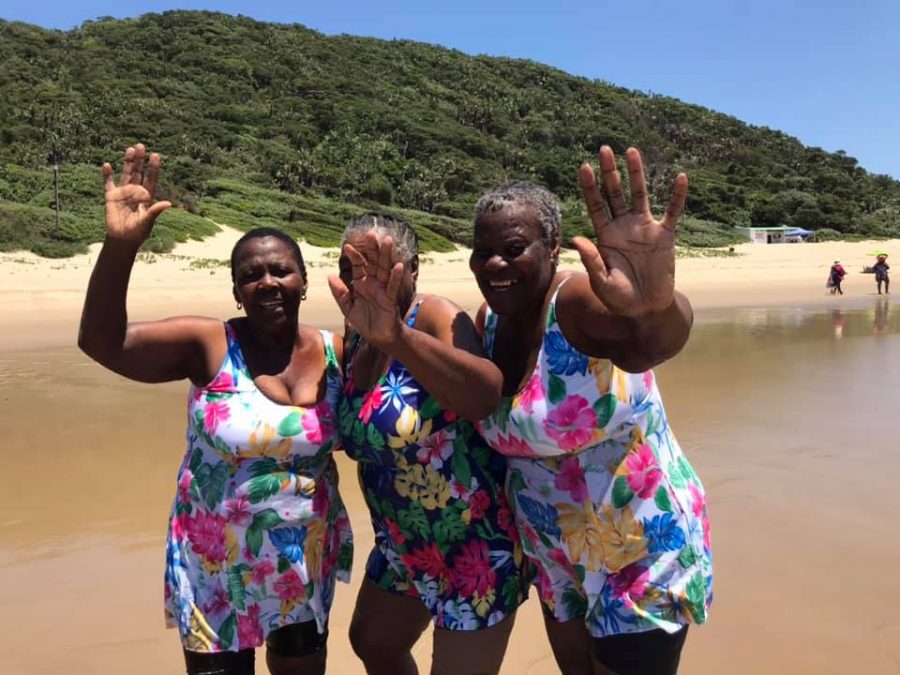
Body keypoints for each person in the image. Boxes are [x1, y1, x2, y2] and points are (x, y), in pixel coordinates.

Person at [78, 144, 352, 675]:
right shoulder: (209, 343)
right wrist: (120, 248)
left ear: (303, 280)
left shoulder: (339, 353)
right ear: (236, 289)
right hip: (213, 561)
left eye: (281, 270)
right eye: (252, 274)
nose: (267, 281)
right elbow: (100, 342)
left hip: (301, 559)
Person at [469, 147, 713, 675]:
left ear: (553, 247)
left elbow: (644, 345)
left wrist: (655, 305)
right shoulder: (486, 322)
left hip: (640, 543)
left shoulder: (575, 302)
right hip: (556, 554)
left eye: (513, 248)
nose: (494, 264)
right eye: (481, 249)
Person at [327, 213, 528, 675]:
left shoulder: (434, 315)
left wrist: (398, 339)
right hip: (402, 547)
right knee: (373, 643)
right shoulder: (358, 335)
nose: (362, 280)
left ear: (412, 269)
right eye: (350, 267)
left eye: (377, 267)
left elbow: (483, 395)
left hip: (471, 550)